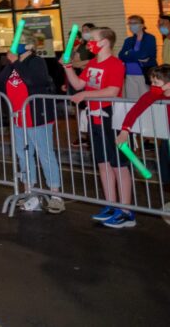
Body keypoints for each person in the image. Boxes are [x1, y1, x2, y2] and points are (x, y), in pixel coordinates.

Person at [62, 27, 134, 228]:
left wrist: (86, 95)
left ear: (104, 42)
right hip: (94, 116)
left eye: (93, 39)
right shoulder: (92, 63)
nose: (89, 43)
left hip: (112, 116)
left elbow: (112, 90)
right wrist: (67, 67)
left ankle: (126, 210)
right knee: (102, 162)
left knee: (119, 163)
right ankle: (110, 204)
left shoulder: (116, 64)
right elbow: (78, 85)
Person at [0, 43, 63, 213]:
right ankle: (29, 190)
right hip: (18, 117)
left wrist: (16, 63)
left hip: (37, 116)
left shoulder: (36, 61)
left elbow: (33, 80)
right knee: (23, 154)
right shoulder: (12, 66)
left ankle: (55, 195)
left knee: (45, 153)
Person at [117, 64, 170, 186]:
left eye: (156, 83)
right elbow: (135, 111)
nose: (152, 86)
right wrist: (124, 131)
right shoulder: (153, 95)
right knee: (166, 176)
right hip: (166, 140)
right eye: (151, 82)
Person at [70, 23, 97, 148]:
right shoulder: (80, 46)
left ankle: (91, 135)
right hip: (79, 76)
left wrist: (81, 63)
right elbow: (73, 62)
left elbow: (94, 61)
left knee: (89, 106)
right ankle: (83, 134)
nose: (85, 32)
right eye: (83, 30)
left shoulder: (94, 44)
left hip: (90, 78)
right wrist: (81, 64)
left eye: (87, 30)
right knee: (79, 107)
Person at [118, 15, 157, 102]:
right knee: (133, 102)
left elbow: (144, 55)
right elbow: (121, 56)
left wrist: (129, 53)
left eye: (134, 23)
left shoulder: (150, 38)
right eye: (130, 23)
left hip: (144, 74)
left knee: (146, 101)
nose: (131, 26)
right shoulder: (128, 40)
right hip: (129, 75)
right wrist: (135, 55)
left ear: (142, 25)